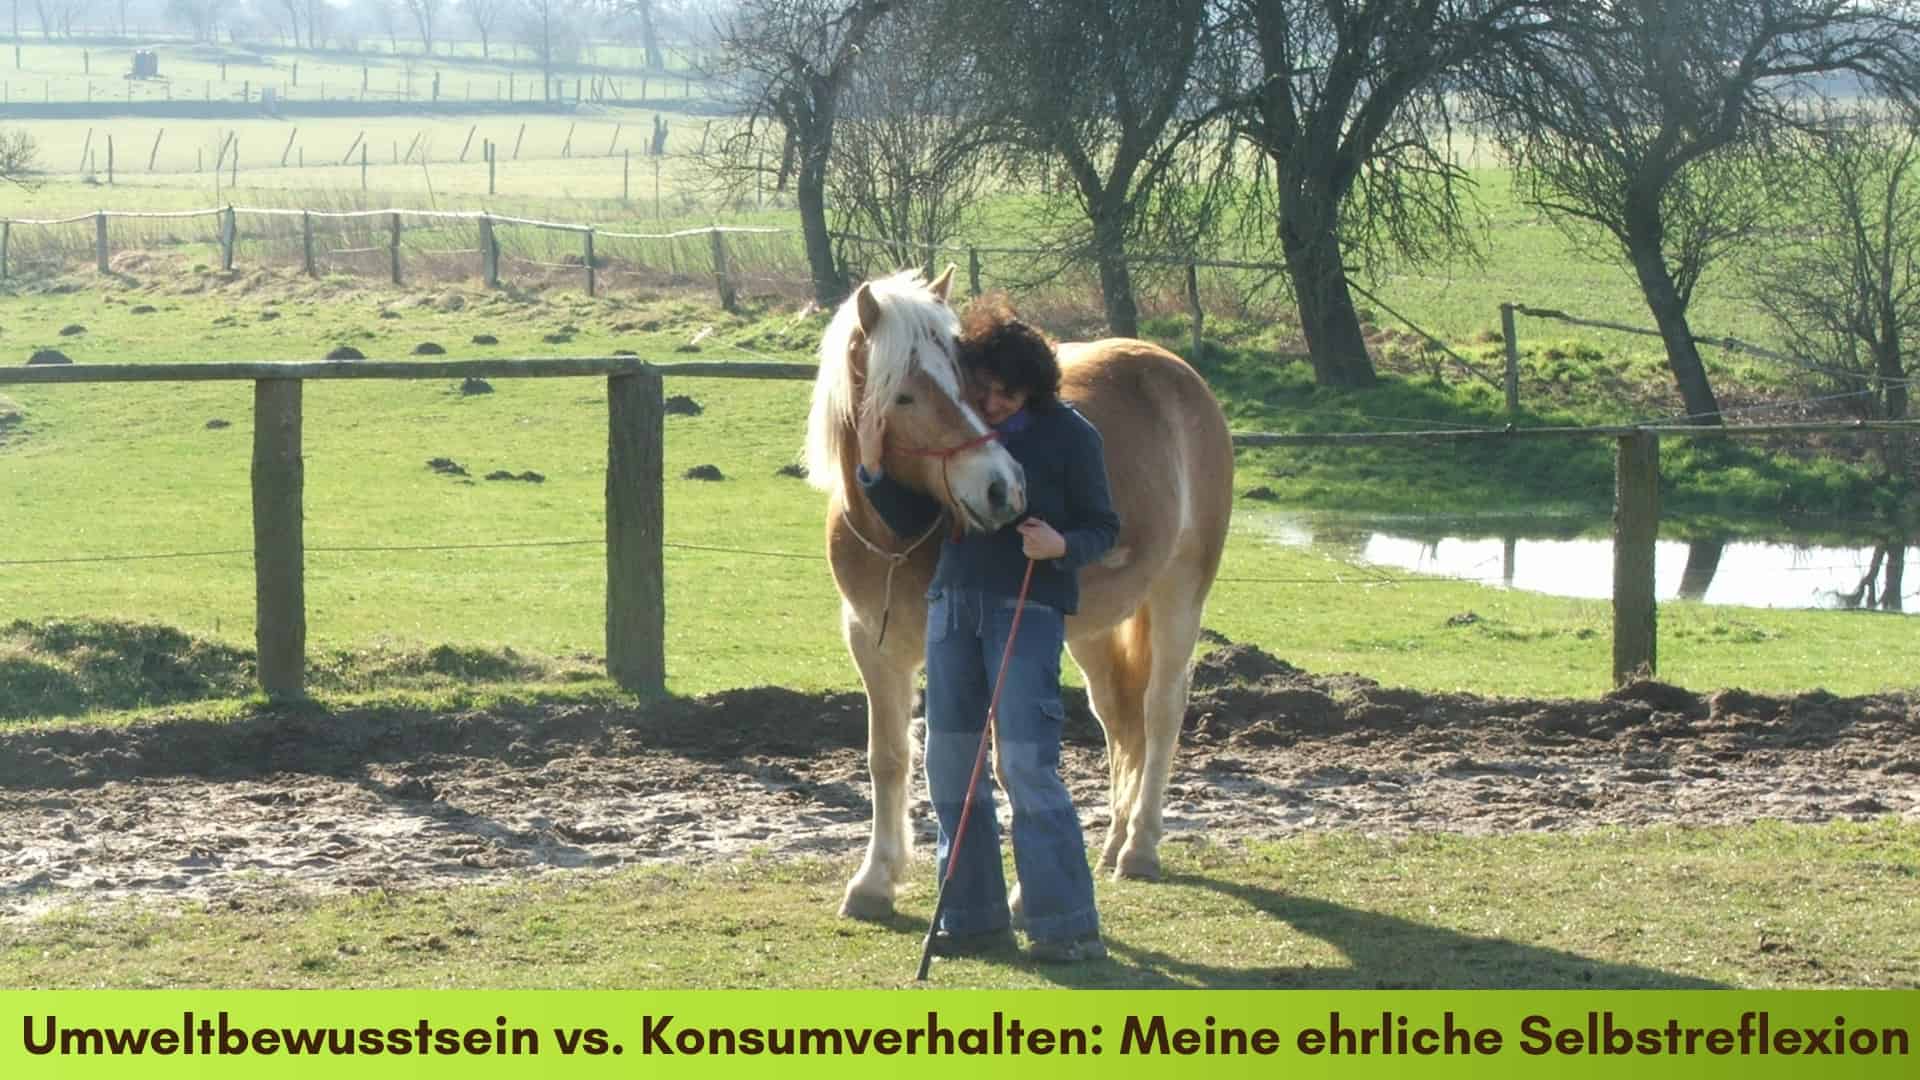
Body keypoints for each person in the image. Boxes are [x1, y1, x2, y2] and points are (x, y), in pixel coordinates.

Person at [856, 298, 1120, 963]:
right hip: (954, 605)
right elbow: (910, 517)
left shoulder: (1071, 437)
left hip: (1025, 609)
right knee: (951, 765)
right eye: (987, 388)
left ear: (1034, 388)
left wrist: (1062, 545)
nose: (996, 402)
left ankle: (1066, 925)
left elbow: (1104, 527)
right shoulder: (966, 429)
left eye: (1008, 392)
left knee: (1027, 763)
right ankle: (971, 917)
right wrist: (870, 466)